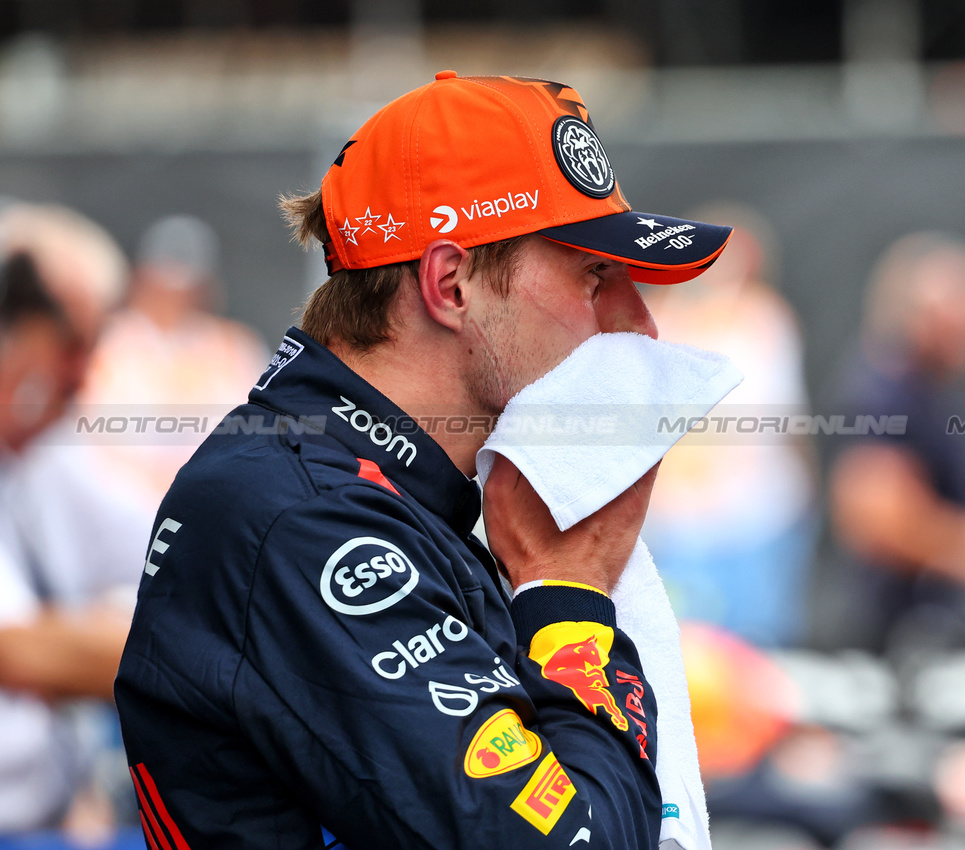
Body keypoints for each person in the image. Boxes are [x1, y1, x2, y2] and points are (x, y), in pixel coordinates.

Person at [114, 72, 733, 849]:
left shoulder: (392, 495)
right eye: (594, 275)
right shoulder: (305, 517)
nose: (637, 326)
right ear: (450, 285)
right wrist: (567, 596)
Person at [828, 232, 965, 654]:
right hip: (904, 637)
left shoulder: (937, 390)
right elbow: (873, 515)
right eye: (962, 307)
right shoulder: (887, 392)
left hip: (943, 630)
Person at [0, 210, 143, 836]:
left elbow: (182, 540)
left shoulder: (36, 456)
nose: (83, 375)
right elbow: (18, 651)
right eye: (71, 345)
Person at [641, 202, 817, 646]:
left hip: (755, 523)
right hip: (678, 526)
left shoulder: (764, 321)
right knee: (685, 651)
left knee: (755, 649)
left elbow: (784, 420)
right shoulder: (655, 319)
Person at [81, 214, 266, 512]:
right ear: (140, 278)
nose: (173, 297)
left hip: (207, 507)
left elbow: (253, 434)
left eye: (184, 285)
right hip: (111, 509)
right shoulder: (104, 342)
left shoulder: (234, 346)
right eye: (164, 282)